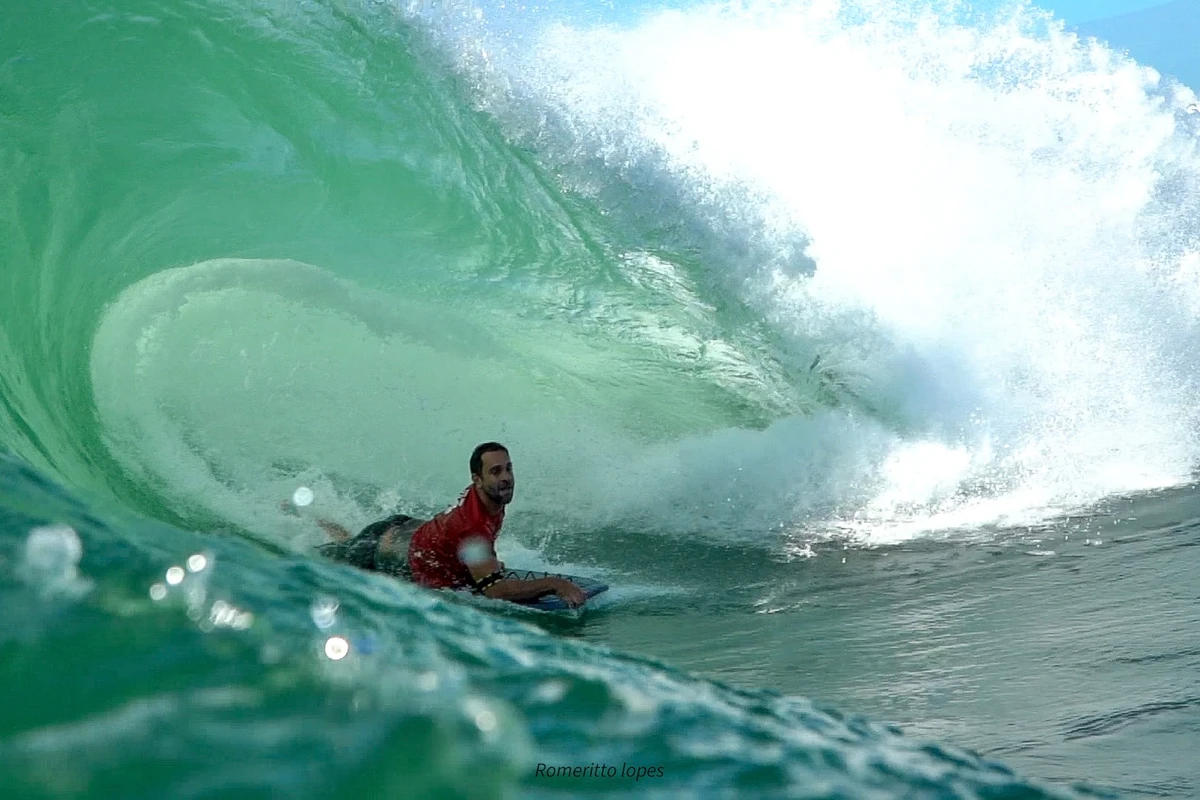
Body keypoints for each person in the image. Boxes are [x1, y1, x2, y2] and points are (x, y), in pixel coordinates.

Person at [314, 442, 587, 608]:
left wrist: (485, 562)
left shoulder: (489, 498)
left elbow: (465, 541)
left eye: (508, 468)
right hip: (382, 553)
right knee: (316, 558)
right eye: (495, 471)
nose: (506, 477)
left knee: (346, 543)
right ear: (476, 479)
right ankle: (307, 516)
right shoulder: (473, 524)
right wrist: (555, 584)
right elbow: (493, 591)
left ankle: (321, 520)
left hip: (401, 533)